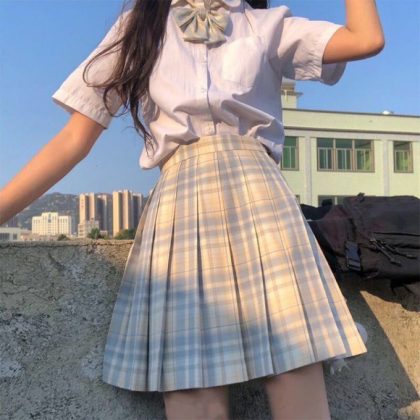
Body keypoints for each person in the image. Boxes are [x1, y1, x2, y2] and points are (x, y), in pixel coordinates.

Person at [0, 0, 384, 418]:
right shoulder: (138, 27)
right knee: (193, 392)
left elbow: (366, 39)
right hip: (182, 208)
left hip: (264, 205)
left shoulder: (267, 25)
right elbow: (73, 139)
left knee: (295, 372)